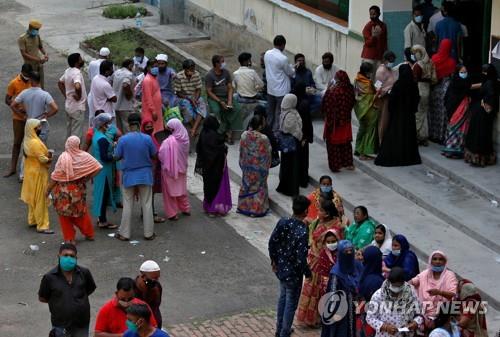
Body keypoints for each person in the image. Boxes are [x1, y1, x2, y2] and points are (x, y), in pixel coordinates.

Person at [269, 195, 312, 337]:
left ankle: (279, 328)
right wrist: (308, 273)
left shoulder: (283, 221)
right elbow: (301, 258)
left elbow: (272, 243)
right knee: (290, 303)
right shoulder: (302, 231)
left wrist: (274, 261)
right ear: (306, 211)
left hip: (280, 269)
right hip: (293, 274)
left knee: (283, 297)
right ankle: (284, 332)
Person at [47, 136, 102, 244]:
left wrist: (48, 190)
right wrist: (87, 178)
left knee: (64, 216)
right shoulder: (84, 156)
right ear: (78, 145)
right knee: (80, 213)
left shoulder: (63, 158)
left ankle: (69, 238)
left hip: (62, 192)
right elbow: (98, 167)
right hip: (78, 190)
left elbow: (55, 177)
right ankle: (89, 234)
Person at [114, 113, 157, 240]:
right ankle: (149, 233)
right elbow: (154, 155)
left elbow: (117, 156)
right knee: (147, 204)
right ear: (140, 122)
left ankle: (124, 233)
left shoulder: (123, 139)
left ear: (128, 123)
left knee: (127, 204)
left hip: (129, 175)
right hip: (145, 175)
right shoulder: (147, 139)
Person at [39, 243, 96, 337]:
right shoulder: (49, 277)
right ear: (59, 256)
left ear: (76, 258)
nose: (68, 258)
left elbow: (90, 289)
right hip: (60, 325)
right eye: (65, 255)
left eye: (72, 256)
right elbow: (43, 298)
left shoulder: (84, 273)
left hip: (81, 323)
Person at [375, 64, 421, 167]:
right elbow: (416, 99)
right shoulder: (413, 85)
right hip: (409, 118)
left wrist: (392, 111)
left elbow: (392, 101)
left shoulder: (398, 85)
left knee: (396, 136)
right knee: (408, 137)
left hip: (397, 117)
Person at [297, 229, 340, 327]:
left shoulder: (341, 253)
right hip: (325, 284)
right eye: (328, 242)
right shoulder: (323, 254)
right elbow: (322, 271)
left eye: (333, 241)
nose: (331, 244)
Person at [320, 240, 363, 337]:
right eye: (345, 252)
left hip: (358, 308)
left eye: (350, 251)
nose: (349, 254)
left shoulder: (357, 265)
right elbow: (332, 295)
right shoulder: (336, 273)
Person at [366, 267, 422, 337]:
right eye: (394, 286)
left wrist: (415, 322)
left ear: (403, 283)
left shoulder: (411, 293)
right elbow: (370, 317)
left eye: (399, 286)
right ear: (389, 283)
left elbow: (420, 313)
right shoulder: (379, 295)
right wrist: (385, 327)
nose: (396, 290)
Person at [20, 119, 53, 234]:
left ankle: (32, 219)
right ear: (32, 129)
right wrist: (49, 157)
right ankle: (42, 225)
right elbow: (42, 159)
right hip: (38, 173)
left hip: (29, 173)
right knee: (41, 199)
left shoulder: (27, 140)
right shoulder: (35, 142)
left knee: (33, 198)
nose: (40, 129)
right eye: (38, 127)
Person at [195, 116, 232, 216]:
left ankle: (208, 206)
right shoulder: (213, 135)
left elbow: (199, 148)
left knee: (207, 187)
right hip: (215, 167)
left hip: (206, 167)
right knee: (215, 187)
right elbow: (217, 148)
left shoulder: (203, 133)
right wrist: (224, 147)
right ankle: (213, 209)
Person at [410, 251, 457, 327]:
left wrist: (439, 292)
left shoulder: (450, 275)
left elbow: (453, 295)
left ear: (445, 262)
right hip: (424, 308)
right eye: (434, 259)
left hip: (442, 312)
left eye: (440, 259)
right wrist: (405, 284)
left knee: (447, 307)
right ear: (430, 261)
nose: (437, 262)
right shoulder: (425, 274)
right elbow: (414, 281)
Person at [237, 115, 272, 217]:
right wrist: (266, 167)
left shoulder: (244, 135)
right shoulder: (264, 138)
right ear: (260, 126)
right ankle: (255, 210)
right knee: (258, 188)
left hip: (247, 166)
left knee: (246, 186)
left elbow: (241, 150)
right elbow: (267, 153)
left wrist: (243, 163)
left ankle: (243, 207)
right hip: (259, 168)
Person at [11, 71, 58, 143]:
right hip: (41, 124)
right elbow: (55, 108)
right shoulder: (45, 94)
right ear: (39, 80)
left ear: (30, 80)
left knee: (30, 147)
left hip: (29, 124)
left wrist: (22, 116)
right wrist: (46, 115)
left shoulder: (24, 93)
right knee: (41, 147)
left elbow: (12, 105)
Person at [323, 70, 355, 172]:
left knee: (333, 144)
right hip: (346, 122)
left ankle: (336, 166)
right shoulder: (350, 89)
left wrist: (328, 88)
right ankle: (347, 163)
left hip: (334, 124)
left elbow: (324, 105)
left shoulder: (333, 91)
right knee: (346, 143)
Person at [158, 118, 191, 220]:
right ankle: (185, 208)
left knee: (169, 193)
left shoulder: (168, 142)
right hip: (182, 169)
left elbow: (161, 156)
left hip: (170, 171)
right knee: (182, 190)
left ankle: (172, 213)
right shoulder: (185, 139)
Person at [4, 63, 32, 178]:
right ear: (22, 72)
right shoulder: (14, 83)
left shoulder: (32, 81)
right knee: (17, 143)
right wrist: (17, 110)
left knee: (29, 143)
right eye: (26, 75)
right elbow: (7, 100)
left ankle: (26, 171)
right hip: (18, 118)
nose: (27, 77)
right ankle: (12, 168)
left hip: (30, 116)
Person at [206, 54, 241, 144]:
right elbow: (209, 92)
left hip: (226, 96)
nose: (224, 63)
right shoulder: (210, 75)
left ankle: (228, 130)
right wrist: (220, 102)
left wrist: (229, 101)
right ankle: (222, 132)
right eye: (222, 62)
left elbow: (230, 87)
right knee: (217, 110)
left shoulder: (226, 72)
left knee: (237, 108)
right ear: (216, 64)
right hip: (215, 98)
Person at [264, 35, 296, 130]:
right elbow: (290, 72)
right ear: (283, 45)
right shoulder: (283, 58)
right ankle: (276, 134)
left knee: (270, 113)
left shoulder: (267, 54)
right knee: (279, 114)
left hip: (271, 89)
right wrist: (294, 68)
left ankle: (268, 132)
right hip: (281, 90)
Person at [429, 39, 456, 143]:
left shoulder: (434, 58)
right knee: (443, 114)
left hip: (434, 88)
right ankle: (441, 136)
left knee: (433, 112)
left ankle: (432, 135)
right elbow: (452, 76)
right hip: (445, 89)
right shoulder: (452, 61)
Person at [442, 65, 472, 158]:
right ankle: (450, 149)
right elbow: (448, 98)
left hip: (462, 108)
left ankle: (457, 150)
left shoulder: (465, 82)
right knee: (454, 128)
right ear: (457, 73)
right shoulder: (455, 83)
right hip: (455, 110)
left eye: (465, 72)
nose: (464, 74)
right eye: (462, 72)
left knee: (461, 128)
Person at [174, 59, 208, 140]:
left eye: (193, 69)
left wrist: (195, 99)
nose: (192, 71)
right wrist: (189, 99)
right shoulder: (179, 76)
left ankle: (193, 129)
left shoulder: (197, 74)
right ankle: (194, 127)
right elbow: (178, 93)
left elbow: (199, 89)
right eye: (190, 70)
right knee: (186, 106)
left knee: (202, 104)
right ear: (185, 69)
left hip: (194, 95)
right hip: (183, 96)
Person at [276, 94, 302, 197]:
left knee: (286, 166)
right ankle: (290, 189)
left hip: (286, 145)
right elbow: (292, 129)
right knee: (292, 167)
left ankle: (285, 186)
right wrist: (300, 136)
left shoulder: (284, 112)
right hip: (292, 144)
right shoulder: (290, 115)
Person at [411, 45, 437, 146]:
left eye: (415, 53)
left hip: (419, 89)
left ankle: (417, 135)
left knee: (418, 113)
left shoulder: (418, 65)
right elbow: (434, 79)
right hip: (427, 89)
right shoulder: (431, 63)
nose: (414, 55)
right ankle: (424, 136)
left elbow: (414, 78)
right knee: (424, 112)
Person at [141, 119, 165, 224]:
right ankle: (150, 214)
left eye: (151, 126)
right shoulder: (147, 139)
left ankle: (145, 212)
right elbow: (154, 153)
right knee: (149, 193)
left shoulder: (151, 137)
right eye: (148, 127)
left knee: (149, 193)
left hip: (153, 169)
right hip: (150, 169)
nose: (150, 128)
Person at [58, 53, 87, 139]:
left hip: (69, 105)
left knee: (69, 132)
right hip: (77, 108)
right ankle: (74, 151)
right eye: (80, 59)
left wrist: (66, 95)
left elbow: (60, 82)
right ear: (76, 62)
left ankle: (68, 150)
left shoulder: (68, 71)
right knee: (76, 136)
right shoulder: (76, 73)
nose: (82, 60)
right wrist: (79, 96)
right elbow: (77, 86)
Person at [354, 62, 379, 159]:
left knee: (361, 129)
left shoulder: (357, 79)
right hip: (368, 110)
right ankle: (363, 153)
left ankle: (357, 149)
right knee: (368, 130)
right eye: (370, 72)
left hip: (359, 109)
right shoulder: (368, 83)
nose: (371, 74)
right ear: (366, 72)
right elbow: (371, 96)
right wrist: (378, 92)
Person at [464, 95, 498, 167]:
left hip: (484, 109)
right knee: (479, 135)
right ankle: (478, 158)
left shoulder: (489, 84)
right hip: (480, 108)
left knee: (481, 134)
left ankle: (479, 158)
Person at [292, 83, 313, 187]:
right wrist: (307, 137)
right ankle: (303, 180)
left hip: (295, 136)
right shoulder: (304, 103)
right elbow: (307, 122)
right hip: (303, 136)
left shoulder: (293, 102)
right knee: (303, 159)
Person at [374, 51, 396, 145]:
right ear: (385, 60)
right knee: (383, 121)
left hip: (391, 98)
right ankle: (381, 142)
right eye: (391, 60)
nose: (392, 62)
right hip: (384, 99)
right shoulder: (381, 71)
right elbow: (377, 87)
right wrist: (386, 91)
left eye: (393, 60)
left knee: (388, 121)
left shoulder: (391, 70)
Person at [18, 19, 48, 88]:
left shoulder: (37, 36)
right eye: (36, 29)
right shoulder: (22, 38)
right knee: (31, 85)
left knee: (41, 83)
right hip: (30, 66)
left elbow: (40, 47)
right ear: (30, 27)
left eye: (38, 29)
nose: (37, 31)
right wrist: (38, 59)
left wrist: (45, 54)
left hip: (39, 64)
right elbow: (24, 54)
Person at [134, 260, 164, 329]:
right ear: (143, 276)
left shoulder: (157, 286)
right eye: (154, 278)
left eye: (158, 277)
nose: (157, 281)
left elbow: (157, 305)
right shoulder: (133, 288)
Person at [361, 6, 388, 72]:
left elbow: (384, 41)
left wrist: (385, 55)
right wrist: (373, 37)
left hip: (380, 57)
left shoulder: (383, 26)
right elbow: (367, 43)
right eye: (371, 14)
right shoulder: (368, 26)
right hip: (369, 57)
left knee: (378, 78)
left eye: (374, 14)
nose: (372, 16)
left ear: (379, 14)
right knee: (368, 78)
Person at [90, 60, 116, 127]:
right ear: (107, 71)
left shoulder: (95, 78)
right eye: (111, 69)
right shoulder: (105, 84)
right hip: (106, 113)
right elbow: (114, 99)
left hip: (97, 111)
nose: (112, 71)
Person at [88, 47, 111, 123]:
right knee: (105, 117)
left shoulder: (92, 63)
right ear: (108, 56)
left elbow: (90, 77)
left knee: (92, 115)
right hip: (103, 93)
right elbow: (110, 79)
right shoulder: (108, 65)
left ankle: (91, 132)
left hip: (93, 91)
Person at [113, 58, 136, 133]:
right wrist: (129, 95)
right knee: (127, 126)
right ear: (130, 65)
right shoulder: (128, 74)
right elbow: (125, 84)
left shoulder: (117, 72)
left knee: (118, 127)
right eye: (133, 66)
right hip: (125, 105)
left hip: (115, 104)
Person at [142, 59, 164, 134]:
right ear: (148, 67)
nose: (156, 68)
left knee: (155, 130)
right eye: (154, 67)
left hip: (156, 108)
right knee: (151, 130)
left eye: (157, 67)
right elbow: (148, 98)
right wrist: (153, 111)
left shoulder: (154, 78)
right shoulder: (147, 80)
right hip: (150, 111)